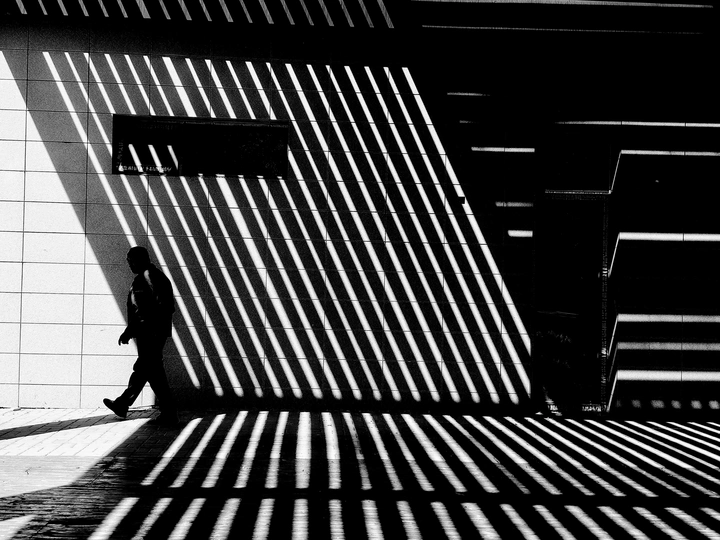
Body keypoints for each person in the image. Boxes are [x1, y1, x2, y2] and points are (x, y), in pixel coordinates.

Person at [103, 246, 179, 426]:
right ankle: (126, 404)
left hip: (150, 333)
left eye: (131, 261)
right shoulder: (148, 278)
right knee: (151, 371)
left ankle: (125, 404)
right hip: (151, 332)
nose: (129, 265)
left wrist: (135, 330)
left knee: (147, 369)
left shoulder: (150, 278)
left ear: (141, 260)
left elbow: (153, 309)